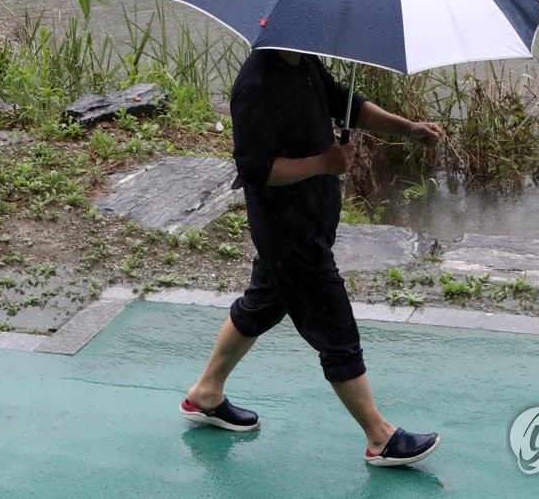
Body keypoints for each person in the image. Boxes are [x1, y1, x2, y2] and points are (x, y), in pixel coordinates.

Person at [180, 48, 444, 467]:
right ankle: (380, 437)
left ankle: (206, 394)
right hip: (287, 230)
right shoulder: (256, 85)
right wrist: (324, 163)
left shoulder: (303, 63)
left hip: (311, 219)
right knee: (334, 328)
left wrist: (407, 128)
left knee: (263, 304)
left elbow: (346, 103)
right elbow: (255, 169)